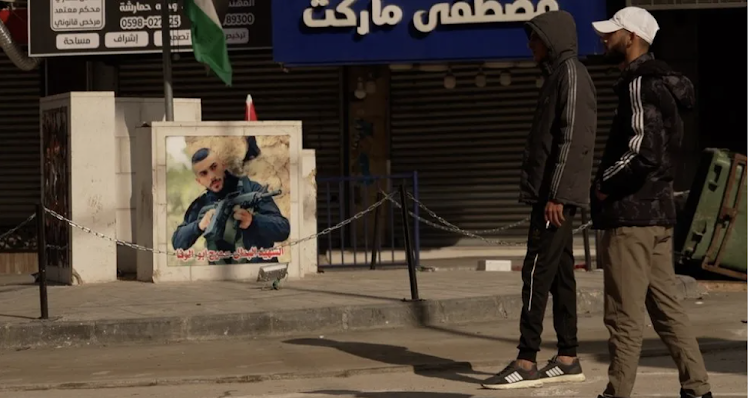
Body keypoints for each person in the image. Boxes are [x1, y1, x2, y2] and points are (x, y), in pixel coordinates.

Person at [590, 7, 713, 398]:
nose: (604, 38)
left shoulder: (639, 84)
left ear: (633, 37)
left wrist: (604, 184)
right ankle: (698, 389)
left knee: (623, 315)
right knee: (667, 310)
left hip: (632, 215)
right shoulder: (662, 84)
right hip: (658, 213)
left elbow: (643, 150)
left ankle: (617, 392)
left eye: (612, 32)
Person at [482, 10, 597, 390]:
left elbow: (573, 139)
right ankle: (567, 356)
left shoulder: (571, 74)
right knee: (562, 275)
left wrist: (558, 195)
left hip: (555, 199)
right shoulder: (559, 76)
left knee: (534, 272)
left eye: (534, 38)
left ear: (551, 40)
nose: (529, 45)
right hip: (551, 196)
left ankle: (526, 359)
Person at [172, 147, 290, 265]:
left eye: (214, 167)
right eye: (204, 173)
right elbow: (177, 243)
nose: (212, 176)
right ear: (199, 181)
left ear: (223, 166)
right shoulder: (201, 205)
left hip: (256, 271)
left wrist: (253, 221)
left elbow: (283, 229)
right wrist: (199, 225)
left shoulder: (252, 189)